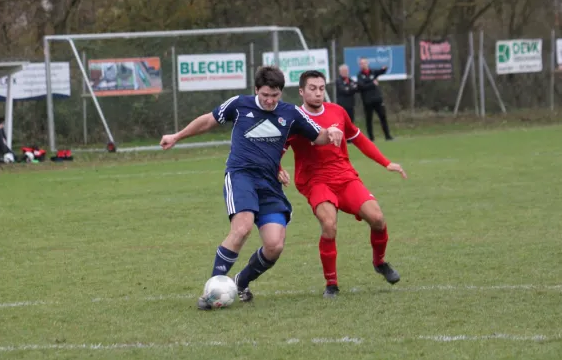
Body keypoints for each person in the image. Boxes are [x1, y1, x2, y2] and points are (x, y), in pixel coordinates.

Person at [159, 66, 344, 310]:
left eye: (275, 95)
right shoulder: (240, 104)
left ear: (281, 93)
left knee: (274, 245)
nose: (269, 100)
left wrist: (330, 132)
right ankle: (211, 291)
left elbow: (316, 136)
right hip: (241, 176)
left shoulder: (290, 113)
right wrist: (177, 136)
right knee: (243, 228)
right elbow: (208, 121)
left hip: (269, 184)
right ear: (256, 90)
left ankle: (240, 283)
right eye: (265, 94)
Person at [279, 70, 407, 298]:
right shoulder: (293, 119)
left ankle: (380, 262)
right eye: (312, 88)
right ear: (301, 91)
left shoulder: (338, 111)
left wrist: (386, 163)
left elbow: (359, 139)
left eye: (321, 88)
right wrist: (278, 168)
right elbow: (277, 149)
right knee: (329, 224)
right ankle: (332, 284)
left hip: (345, 177)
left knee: (377, 218)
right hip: (315, 181)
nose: (318, 93)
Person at [356, 58, 393, 141]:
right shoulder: (359, 75)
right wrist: (372, 83)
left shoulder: (373, 72)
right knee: (369, 120)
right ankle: (371, 138)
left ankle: (388, 136)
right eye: (361, 63)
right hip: (367, 101)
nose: (363, 65)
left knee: (383, 117)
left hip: (377, 99)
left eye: (364, 63)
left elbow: (381, 71)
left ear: (367, 63)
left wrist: (384, 69)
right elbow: (362, 86)